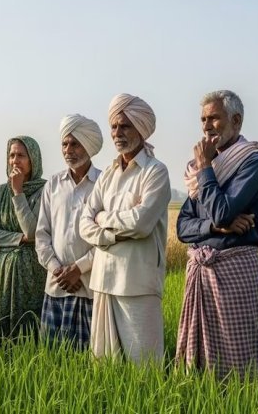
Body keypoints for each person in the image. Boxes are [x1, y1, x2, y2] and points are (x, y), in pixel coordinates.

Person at [175, 89, 258, 378]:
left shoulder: (253, 162)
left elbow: (222, 210)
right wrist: (213, 227)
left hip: (234, 270)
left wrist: (205, 168)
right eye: (203, 120)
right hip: (200, 270)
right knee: (198, 360)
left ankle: (246, 398)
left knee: (238, 356)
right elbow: (183, 227)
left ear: (236, 121)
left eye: (214, 118)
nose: (206, 126)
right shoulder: (203, 171)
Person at [78, 94, 171, 364]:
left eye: (125, 126)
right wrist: (110, 232)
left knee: (144, 366)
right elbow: (84, 222)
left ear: (140, 129)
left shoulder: (155, 172)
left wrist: (102, 217)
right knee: (104, 365)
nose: (117, 133)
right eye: (114, 126)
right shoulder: (107, 174)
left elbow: (141, 223)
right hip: (103, 280)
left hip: (137, 281)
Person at [35, 114, 103, 349]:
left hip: (90, 288)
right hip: (56, 287)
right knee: (52, 358)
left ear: (88, 146)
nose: (68, 150)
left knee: (90, 359)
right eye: (64, 144)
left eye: (75, 144)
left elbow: (108, 239)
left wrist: (78, 270)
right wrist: (58, 271)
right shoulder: (53, 184)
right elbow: (42, 235)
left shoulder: (104, 183)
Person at [0, 136, 48, 339]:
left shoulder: (45, 190)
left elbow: (32, 231)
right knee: (3, 327)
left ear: (33, 159)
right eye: (11, 155)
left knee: (30, 325)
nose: (15, 160)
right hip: (3, 271)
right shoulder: (3, 191)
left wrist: (18, 191)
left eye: (21, 155)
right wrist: (20, 239)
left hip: (32, 270)